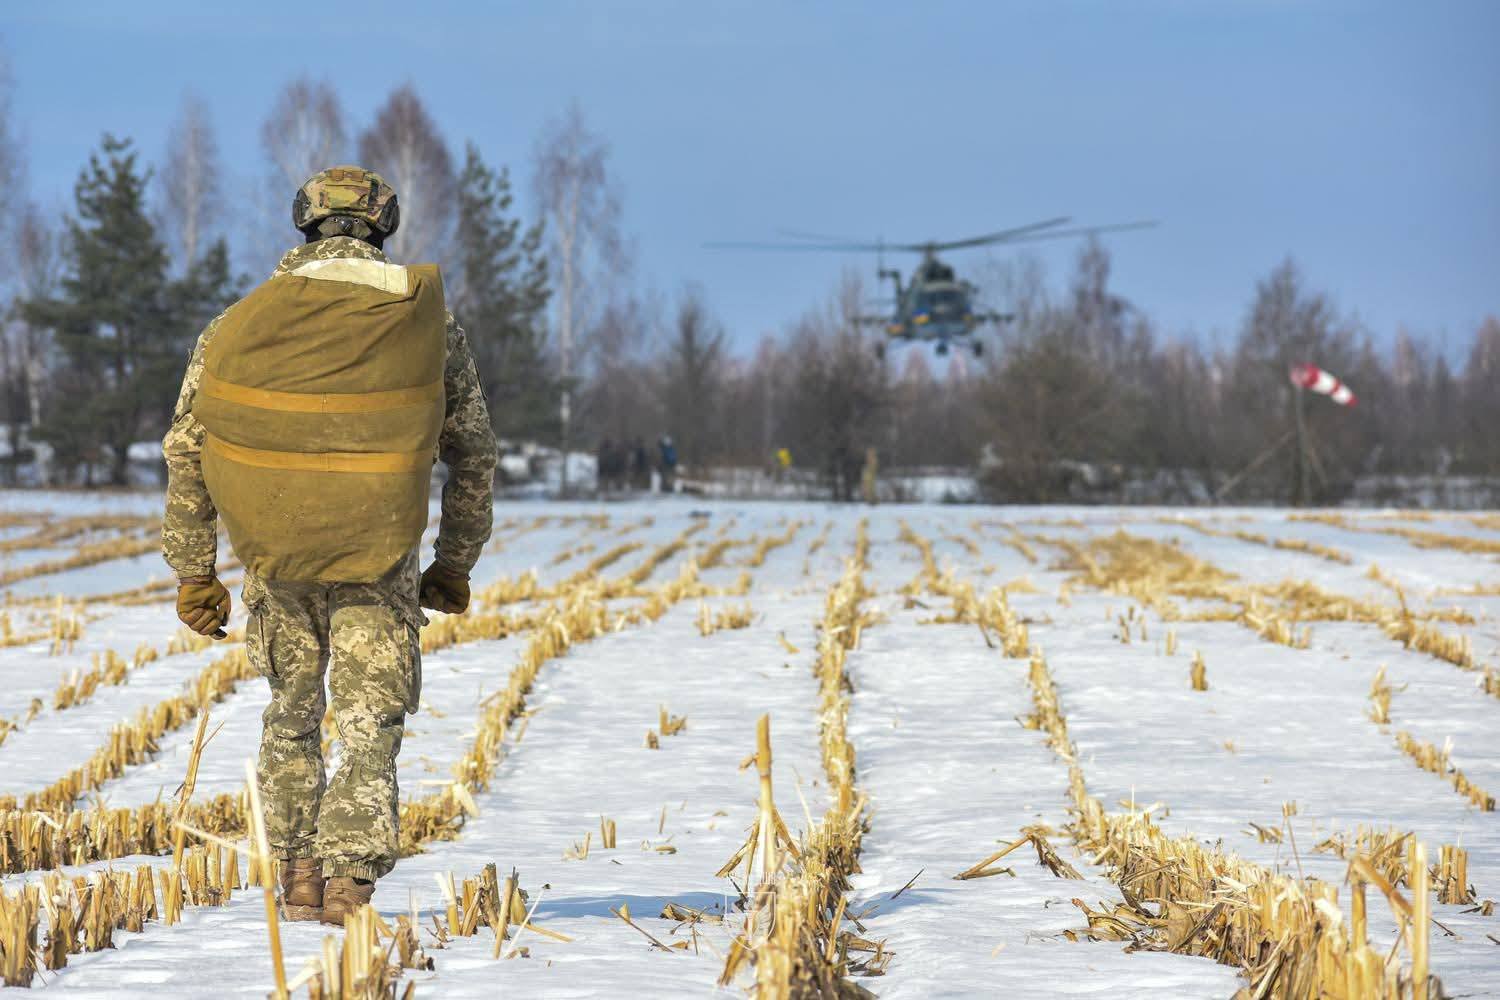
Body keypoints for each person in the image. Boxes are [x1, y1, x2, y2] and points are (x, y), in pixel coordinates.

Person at [161, 166, 496, 926]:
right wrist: (453, 563)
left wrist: (194, 570)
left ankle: (299, 875)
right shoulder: (422, 322)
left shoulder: (241, 322)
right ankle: (349, 881)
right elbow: (472, 450)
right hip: (380, 561)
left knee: (291, 710)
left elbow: (188, 446)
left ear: (303, 225)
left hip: (276, 557)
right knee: (368, 716)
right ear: (385, 225)